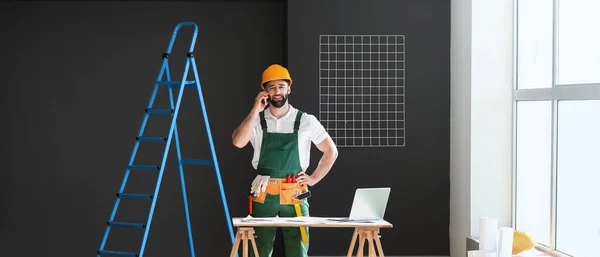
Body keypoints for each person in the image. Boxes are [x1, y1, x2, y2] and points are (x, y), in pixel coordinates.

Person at [231, 64, 338, 257]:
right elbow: (238, 142)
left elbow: (331, 151)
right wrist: (255, 110)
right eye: (271, 87)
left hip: (295, 194)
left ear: (289, 88)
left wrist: (313, 179)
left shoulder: (306, 120)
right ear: (264, 91)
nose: (277, 91)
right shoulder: (257, 120)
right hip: (264, 193)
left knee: (298, 248)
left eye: (281, 86)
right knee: (260, 249)